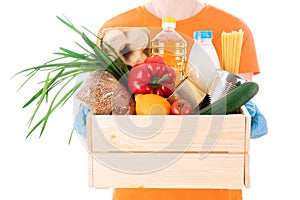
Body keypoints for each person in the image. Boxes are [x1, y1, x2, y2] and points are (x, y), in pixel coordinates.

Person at [74, 0, 267, 199]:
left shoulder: (233, 30)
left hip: (214, 188)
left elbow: (233, 111)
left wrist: (242, 116)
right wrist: (97, 119)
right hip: (136, 190)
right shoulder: (113, 30)